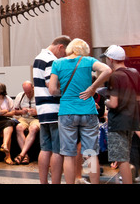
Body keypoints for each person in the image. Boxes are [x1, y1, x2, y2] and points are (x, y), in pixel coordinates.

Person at [49, 38, 112, 184]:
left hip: (67, 112)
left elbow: (52, 90)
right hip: (88, 110)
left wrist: (64, 92)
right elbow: (107, 70)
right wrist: (92, 88)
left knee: (69, 155)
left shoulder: (58, 63)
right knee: (91, 153)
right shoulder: (88, 61)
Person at [102, 45, 140, 184]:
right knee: (126, 155)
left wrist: (105, 101)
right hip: (132, 119)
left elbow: (113, 103)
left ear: (111, 59)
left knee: (121, 159)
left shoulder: (115, 76)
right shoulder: (134, 72)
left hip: (118, 121)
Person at [33, 35, 71, 184]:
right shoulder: (51, 60)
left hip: (43, 110)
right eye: (64, 53)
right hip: (54, 109)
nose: (64, 56)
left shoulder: (39, 57)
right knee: (57, 151)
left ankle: (44, 182)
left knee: (45, 149)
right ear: (60, 47)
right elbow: (52, 87)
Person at [13, 81, 39, 165]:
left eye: (29, 92)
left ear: (33, 88)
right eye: (26, 92)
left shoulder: (38, 95)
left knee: (33, 128)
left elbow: (46, 110)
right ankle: (25, 155)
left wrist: (36, 112)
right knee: (19, 127)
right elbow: (14, 112)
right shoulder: (20, 96)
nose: (27, 94)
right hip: (24, 118)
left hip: (36, 118)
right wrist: (21, 111)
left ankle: (22, 154)